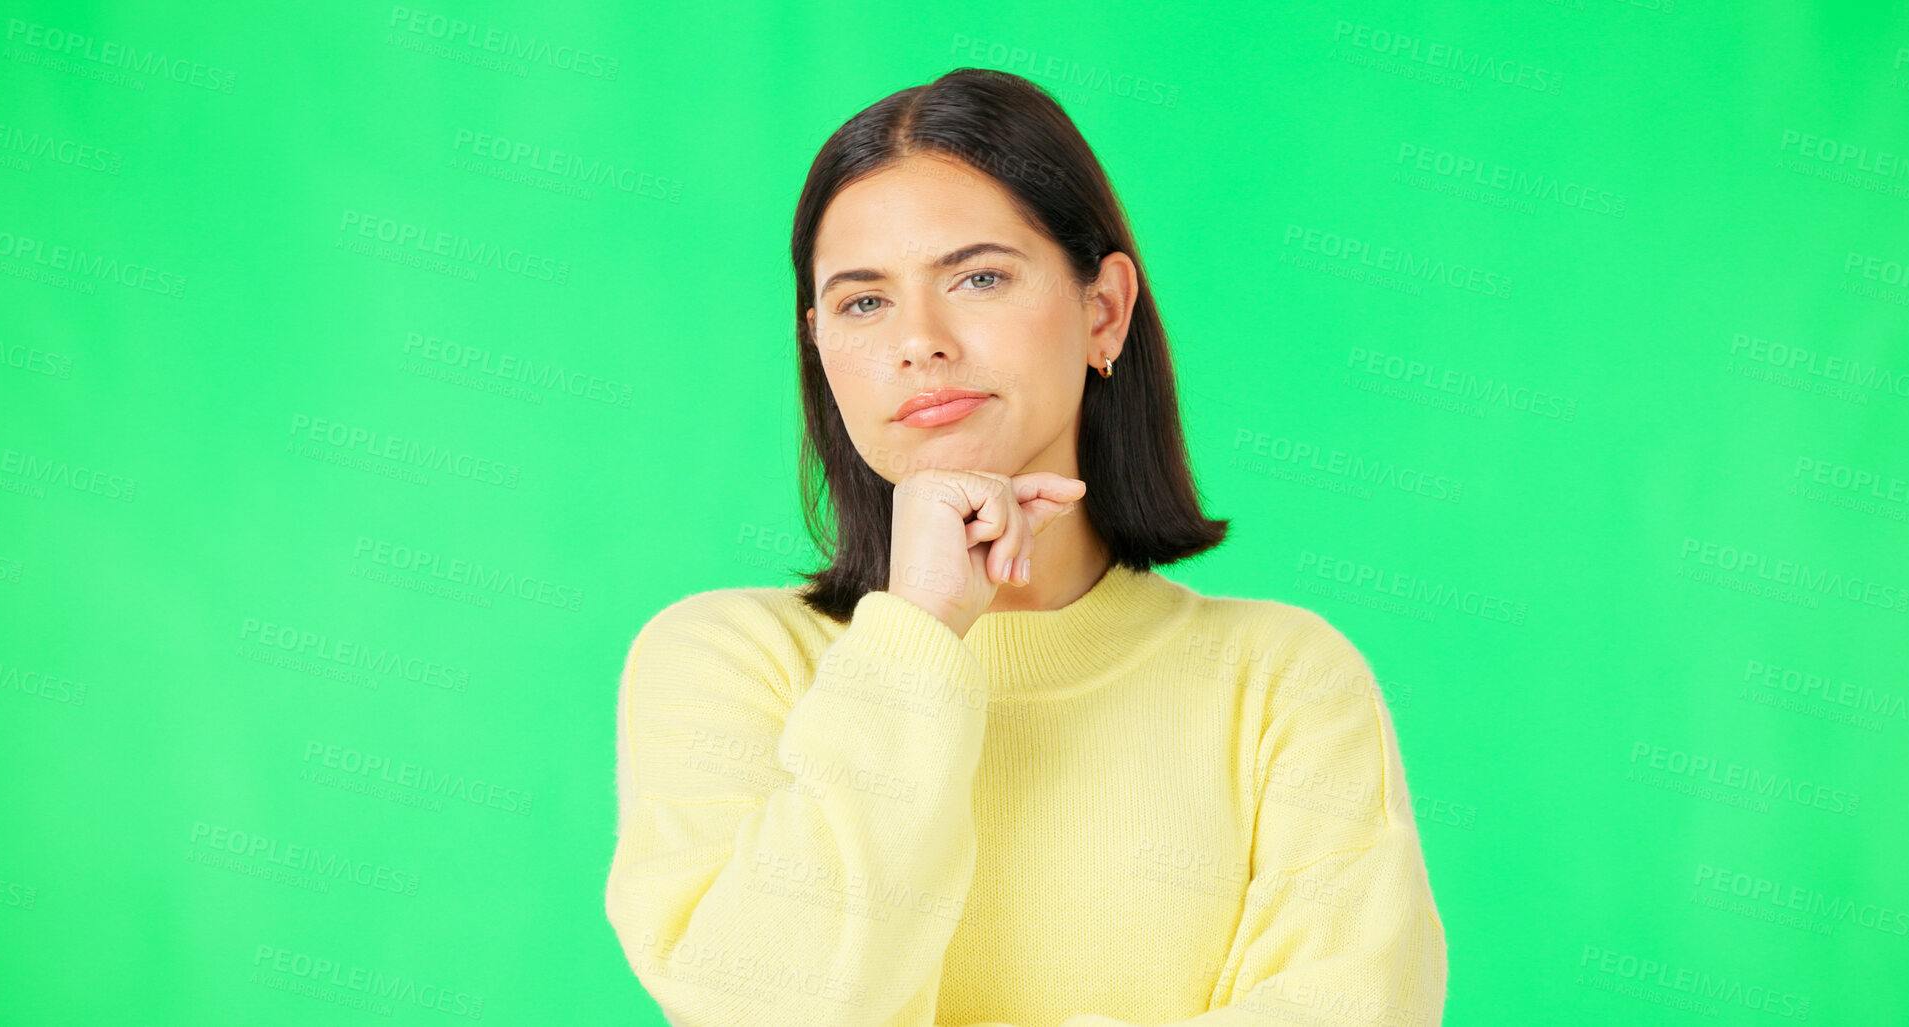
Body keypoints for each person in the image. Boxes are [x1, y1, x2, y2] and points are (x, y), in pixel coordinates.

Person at [604, 67, 1447, 1027]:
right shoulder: (723, 661)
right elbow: (768, 1009)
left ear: (1103, 310)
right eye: (862, 302)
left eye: (978, 277)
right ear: (818, 347)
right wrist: (918, 631)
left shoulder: (1283, 680)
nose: (919, 341)